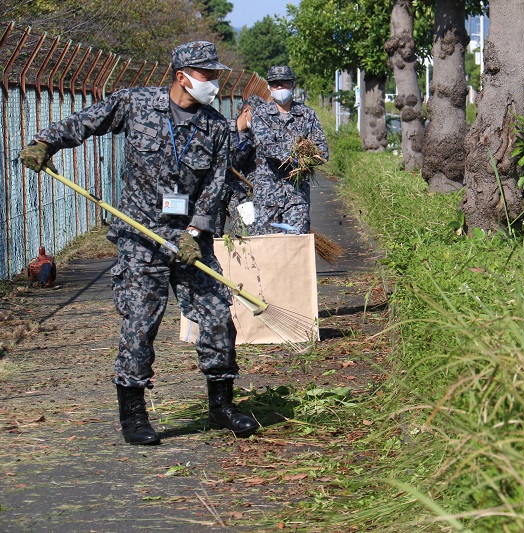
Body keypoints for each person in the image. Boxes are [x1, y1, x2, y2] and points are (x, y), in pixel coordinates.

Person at [19, 41, 258, 445]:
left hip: (188, 240)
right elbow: (87, 121)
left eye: (217, 75)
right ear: (182, 76)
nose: (214, 83)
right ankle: (133, 414)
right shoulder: (136, 103)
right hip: (140, 236)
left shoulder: (216, 127)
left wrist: (196, 232)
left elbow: (216, 188)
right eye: (207, 75)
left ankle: (222, 405)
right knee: (140, 324)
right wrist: (46, 142)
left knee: (218, 314)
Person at [248, 65, 328, 235]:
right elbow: (267, 146)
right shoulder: (261, 114)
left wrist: (309, 157)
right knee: (266, 249)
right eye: (275, 84)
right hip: (267, 196)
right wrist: (297, 155)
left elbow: (322, 150)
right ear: (269, 87)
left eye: (284, 83)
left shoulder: (307, 114)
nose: (280, 87)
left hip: (297, 197)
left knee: (296, 248)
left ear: (293, 85)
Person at [215, 95, 267, 236]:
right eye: (257, 116)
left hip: (238, 189)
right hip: (216, 188)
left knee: (246, 228)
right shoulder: (222, 128)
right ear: (245, 112)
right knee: (214, 232)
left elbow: (250, 168)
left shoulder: (252, 139)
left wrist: (255, 187)